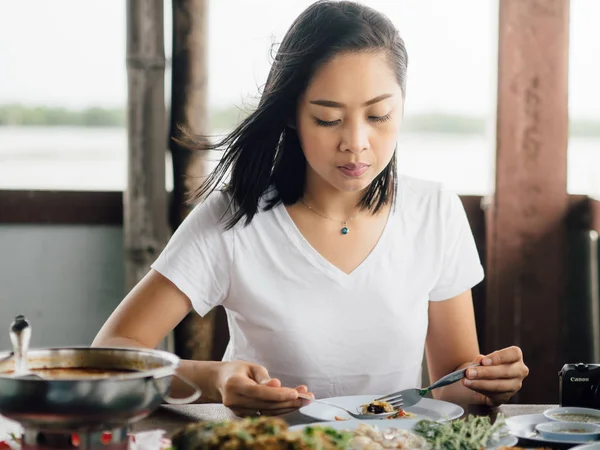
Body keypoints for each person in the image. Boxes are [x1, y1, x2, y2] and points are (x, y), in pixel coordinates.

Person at [93, 0, 528, 417]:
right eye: (327, 119)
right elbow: (112, 352)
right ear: (291, 115)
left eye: (378, 116)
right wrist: (215, 378)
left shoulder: (434, 211)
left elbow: (452, 389)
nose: (356, 142)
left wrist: (486, 385)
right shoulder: (233, 218)